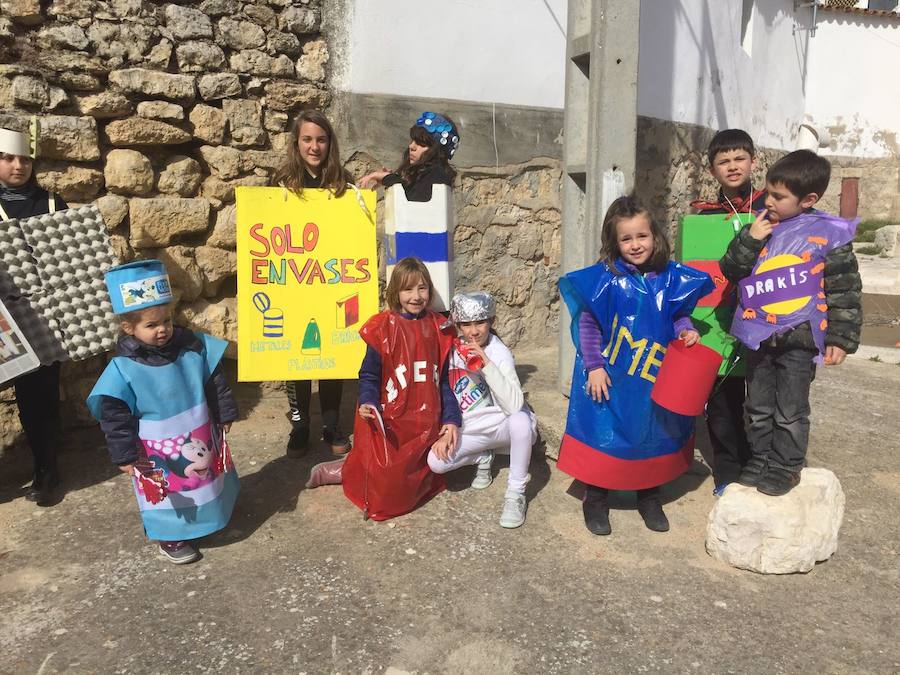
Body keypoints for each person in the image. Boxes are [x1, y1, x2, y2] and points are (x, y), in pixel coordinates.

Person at [558, 196, 713, 535]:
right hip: (610, 376)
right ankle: (595, 498)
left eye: (641, 236)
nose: (635, 244)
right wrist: (594, 366)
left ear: (655, 236)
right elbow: (589, 325)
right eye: (626, 238)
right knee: (604, 436)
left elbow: (678, 316)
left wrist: (686, 331)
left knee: (651, 433)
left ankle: (649, 496)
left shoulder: (669, 278)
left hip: (652, 377)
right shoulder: (604, 280)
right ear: (614, 242)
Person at [720, 150, 861, 496]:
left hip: (799, 340)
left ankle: (786, 465)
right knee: (757, 406)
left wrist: (841, 339)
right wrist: (750, 238)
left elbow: (845, 287)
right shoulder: (759, 226)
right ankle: (760, 457)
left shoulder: (828, 234)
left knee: (791, 410)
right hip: (760, 338)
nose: (769, 201)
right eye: (768, 192)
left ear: (808, 199)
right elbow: (732, 270)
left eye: (779, 197)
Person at [87, 260, 239, 564]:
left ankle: (208, 518)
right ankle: (170, 536)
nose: (162, 330)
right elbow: (114, 416)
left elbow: (214, 380)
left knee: (204, 481)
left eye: (166, 321)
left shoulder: (192, 348)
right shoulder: (122, 369)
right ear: (129, 328)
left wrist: (224, 412)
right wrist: (125, 455)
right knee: (166, 492)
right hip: (155, 449)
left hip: (198, 432)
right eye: (151, 325)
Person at [305, 257, 461, 521]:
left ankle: (354, 467)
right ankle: (346, 470)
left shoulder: (439, 328)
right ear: (395, 293)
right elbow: (368, 374)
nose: (416, 296)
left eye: (422, 288)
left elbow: (445, 380)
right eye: (408, 289)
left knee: (416, 482)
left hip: (425, 424)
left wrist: (451, 419)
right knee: (385, 493)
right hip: (392, 419)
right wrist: (368, 401)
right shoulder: (382, 328)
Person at [688, 129, 766, 496]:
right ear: (712, 169)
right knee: (722, 401)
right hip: (719, 323)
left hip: (768, 323)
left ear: (753, 161)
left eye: (739, 158)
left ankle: (765, 464)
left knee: (767, 400)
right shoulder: (702, 215)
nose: (732, 167)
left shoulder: (774, 208)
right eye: (723, 161)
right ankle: (728, 471)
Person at [273, 110, 353, 457]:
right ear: (297, 142)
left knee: (331, 357)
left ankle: (332, 426)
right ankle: (300, 425)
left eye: (321, 139)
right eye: (307, 139)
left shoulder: (341, 182)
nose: (314, 146)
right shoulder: (281, 182)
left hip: (330, 283)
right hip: (293, 284)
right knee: (297, 361)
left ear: (329, 143)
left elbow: (352, 231)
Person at [425, 292, 538, 528]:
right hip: (472, 429)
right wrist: (450, 425)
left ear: (492, 322)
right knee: (436, 462)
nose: (473, 331)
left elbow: (515, 403)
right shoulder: (452, 350)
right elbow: (445, 388)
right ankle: (483, 456)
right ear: (457, 325)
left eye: (480, 322)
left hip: (501, 426)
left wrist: (485, 363)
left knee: (521, 421)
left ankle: (516, 492)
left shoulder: (499, 352)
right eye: (466, 324)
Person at [0, 125, 68, 506]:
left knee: (39, 398)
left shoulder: (52, 204)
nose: (18, 165)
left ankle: (46, 468)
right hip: (2, 318)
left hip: (42, 321)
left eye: (24, 158)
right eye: (8, 158)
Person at [359, 111, 459, 202]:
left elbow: (413, 205)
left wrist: (389, 179)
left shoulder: (437, 175)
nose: (411, 146)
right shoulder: (424, 174)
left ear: (437, 151)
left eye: (421, 144)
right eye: (412, 141)